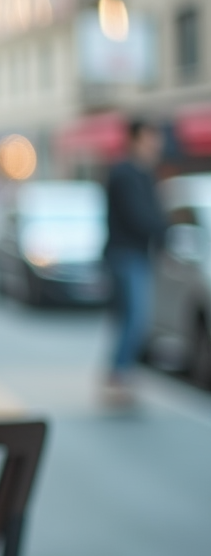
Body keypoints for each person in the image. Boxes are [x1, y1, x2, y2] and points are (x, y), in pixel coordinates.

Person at [103, 119, 168, 402]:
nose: (157, 143)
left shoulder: (141, 173)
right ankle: (119, 376)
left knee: (129, 318)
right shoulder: (126, 174)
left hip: (132, 254)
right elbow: (139, 216)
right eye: (151, 137)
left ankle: (121, 375)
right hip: (126, 255)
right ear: (136, 139)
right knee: (135, 318)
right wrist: (164, 229)